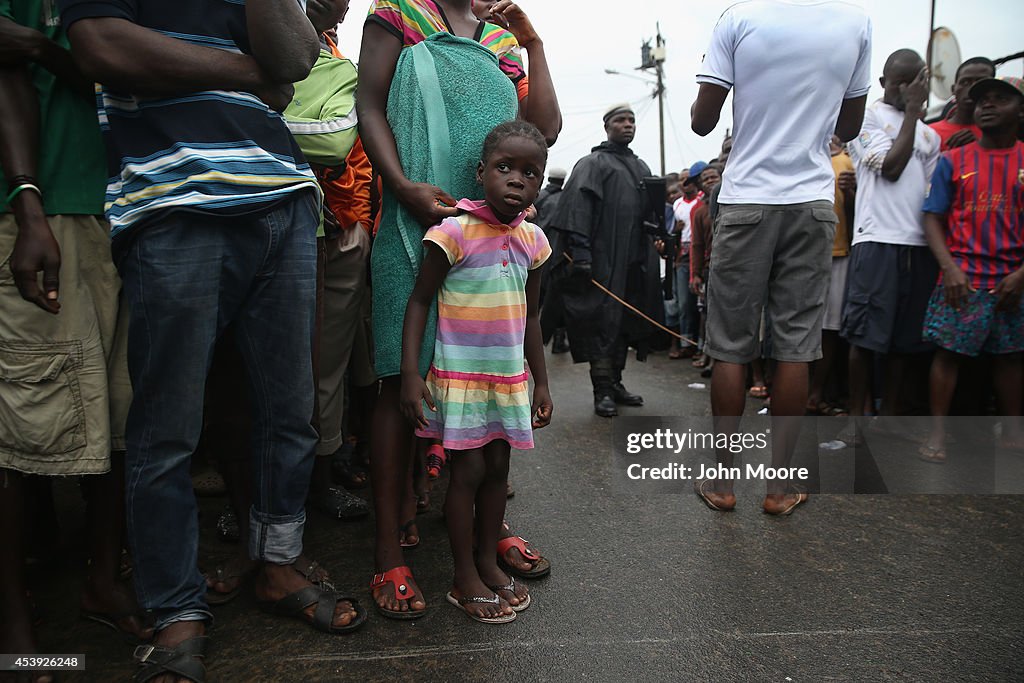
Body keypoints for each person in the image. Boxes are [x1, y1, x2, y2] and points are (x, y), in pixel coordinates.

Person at [57, 0, 364, 678]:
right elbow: (99, 47)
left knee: (291, 412)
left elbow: (290, 66)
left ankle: (277, 562)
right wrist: (242, 71)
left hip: (283, 200)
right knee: (168, 428)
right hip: (173, 204)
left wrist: (257, 70)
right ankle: (176, 606)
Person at [357, 0, 560, 620]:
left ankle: (484, 534)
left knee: (486, 388)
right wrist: (401, 186)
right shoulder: (396, 14)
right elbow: (368, 105)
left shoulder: (501, 39)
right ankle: (389, 551)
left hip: (491, 231)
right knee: (401, 379)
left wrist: (534, 44)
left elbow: (543, 128)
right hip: (416, 218)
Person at [0, 2, 152, 671]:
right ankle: (15, 626)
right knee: (28, 418)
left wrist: (42, 47)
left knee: (118, 413)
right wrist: (26, 201)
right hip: (42, 210)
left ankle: (100, 579)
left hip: (118, 207)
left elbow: (114, 70)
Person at [690, 0, 872, 514]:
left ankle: (723, 486)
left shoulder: (738, 18)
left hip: (748, 197)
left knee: (730, 345)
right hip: (812, 203)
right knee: (795, 347)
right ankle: (778, 489)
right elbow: (851, 125)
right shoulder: (855, 21)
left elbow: (703, 123)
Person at [400, 120, 552, 623]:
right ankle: (463, 575)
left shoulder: (533, 239)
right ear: (481, 171)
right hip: (461, 378)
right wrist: (409, 373)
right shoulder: (453, 231)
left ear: (540, 184)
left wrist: (542, 381)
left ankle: (488, 561)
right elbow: (420, 301)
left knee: (498, 471)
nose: (516, 180)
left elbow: (531, 315)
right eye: (505, 168)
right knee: (466, 473)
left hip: (507, 380)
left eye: (530, 173)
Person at [919, 75, 1024, 462]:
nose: (988, 105)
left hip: (1014, 277)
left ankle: (1013, 430)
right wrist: (949, 268)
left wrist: (1021, 275)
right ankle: (937, 434)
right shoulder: (953, 160)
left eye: (1001, 99)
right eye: (983, 100)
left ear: (1021, 110)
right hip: (962, 276)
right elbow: (931, 218)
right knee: (947, 354)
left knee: (1011, 356)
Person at [842, 50, 940, 429]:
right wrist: (914, 112)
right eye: (901, 81)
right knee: (865, 338)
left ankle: (890, 419)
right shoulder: (867, 119)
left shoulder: (931, 136)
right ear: (884, 83)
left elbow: (930, 193)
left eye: (917, 81)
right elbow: (891, 169)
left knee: (904, 342)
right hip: (876, 240)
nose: (910, 89)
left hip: (917, 246)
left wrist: (916, 117)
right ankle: (855, 420)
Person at [546, 104, 664, 418]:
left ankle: (617, 381)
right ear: (607, 126)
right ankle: (602, 389)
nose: (628, 125)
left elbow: (651, 213)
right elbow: (578, 210)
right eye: (620, 120)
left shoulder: (641, 167)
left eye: (632, 120)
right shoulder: (592, 164)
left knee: (626, 324)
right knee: (602, 323)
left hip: (634, 262)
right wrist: (582, 255)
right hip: (602, 262)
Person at [808, 135, 856, 415]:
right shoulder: (805, 152)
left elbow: (856, 208)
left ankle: (816, 393)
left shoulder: (847, 161)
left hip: (837, 253)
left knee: (829, 330)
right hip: (800, 253)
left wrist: (851, 192)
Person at [669, 161, 706, 358]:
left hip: (701, 253)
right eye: (682, 180)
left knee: (701, 305)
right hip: (682, 256)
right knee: (683, 303)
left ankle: (701, 346)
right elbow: (672, 230)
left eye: (688, 180)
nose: (685, 183)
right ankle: (686, 342)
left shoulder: (702, 201)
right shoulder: (677, 204)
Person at [534, 167, 569, 353]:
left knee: (533, 301)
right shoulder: (565, 200)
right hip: (556, 256)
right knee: (556, 299)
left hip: (533, 252)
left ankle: (524, 345)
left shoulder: (537, 197)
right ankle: (558, 341)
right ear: (562, 181)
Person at [930, 57, 996, 151]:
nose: (972, 89)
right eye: (965, 82)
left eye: (981, 82)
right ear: (953, 89)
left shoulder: (1003, 133)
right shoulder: (930, 133)